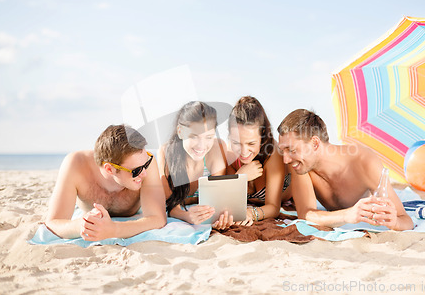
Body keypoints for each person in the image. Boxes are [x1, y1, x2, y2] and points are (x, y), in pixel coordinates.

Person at [277, 109, 413, 231]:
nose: (286, 160)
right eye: (283, 151)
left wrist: (394, 223)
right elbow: (306, 214)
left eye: (292, 150)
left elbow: (405, 220)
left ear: (315, 143)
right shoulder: (301, 166)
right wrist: (348, 215)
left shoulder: (363, 162)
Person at [45, 124, 167, 241]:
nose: (144, 173)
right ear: (109, 169)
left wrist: (114, 230)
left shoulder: (146, 164)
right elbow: (53, 222)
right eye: (136, 170)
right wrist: (82, 225)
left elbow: (158, 219)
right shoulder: (76, 164)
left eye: (146, 163)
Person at [157, 101, 231, 229]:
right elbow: (171, 206)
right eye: (194, 137)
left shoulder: (217, 147)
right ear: (180, 131)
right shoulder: (166, 152)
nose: (201, 146)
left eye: (208, 137)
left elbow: (217, 199)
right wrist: (188, 216)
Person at [226, 96, 292, 226]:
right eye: (236, 143)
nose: (244, 152)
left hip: (290, 199)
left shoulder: (273, 153)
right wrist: (240, 177)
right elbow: (226, 200)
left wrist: (251, 213)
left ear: (262, 135)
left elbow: (273, 207)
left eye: (251, 143)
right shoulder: (229, 155)